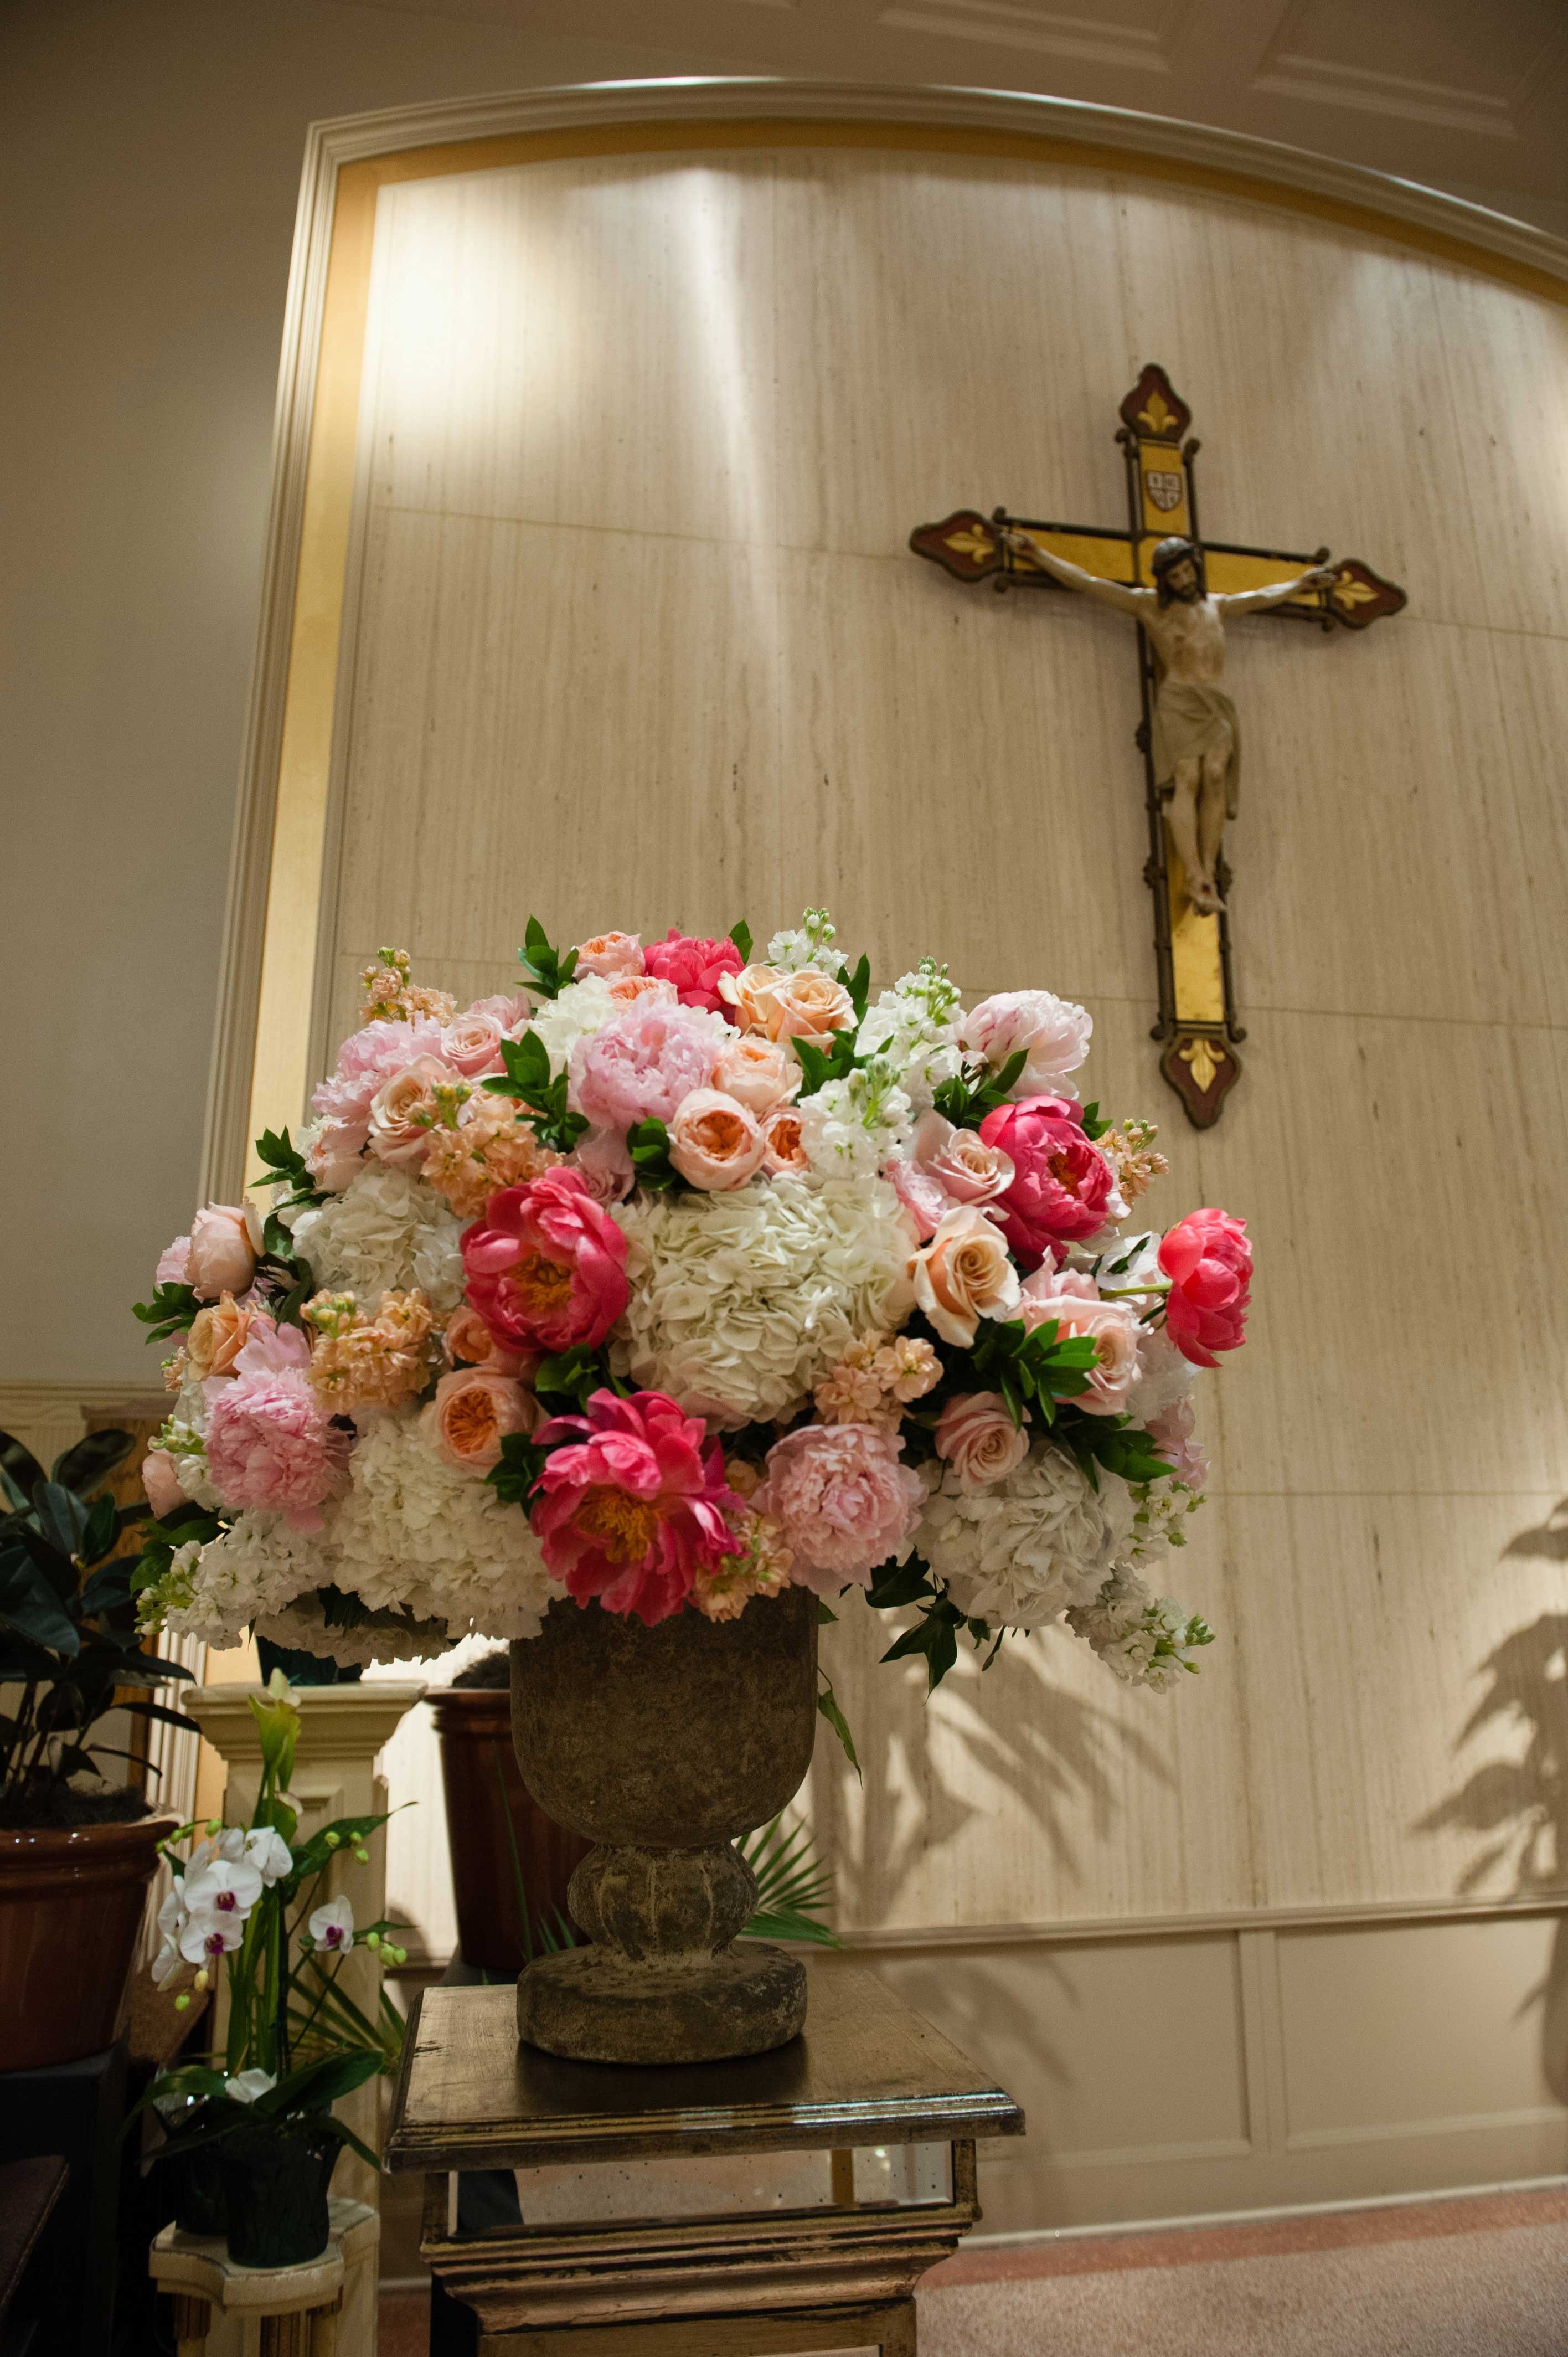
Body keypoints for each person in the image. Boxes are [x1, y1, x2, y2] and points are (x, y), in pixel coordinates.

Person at [1002, 528, 1335, 914]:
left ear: (1195, 568)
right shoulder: (1148, 606)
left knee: (1215, 776)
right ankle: (1194, 874)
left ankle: (1209, 869)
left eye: (1186, 572)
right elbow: (1089, 583)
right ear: (1165, 581)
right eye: (1174, 577)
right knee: (1188, 779)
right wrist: (1038, 554)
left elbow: (1261, 597)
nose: (1183, 581)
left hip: (1215, 701)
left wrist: (1300, 583)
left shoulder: (1217, 605)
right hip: (1179, 700)